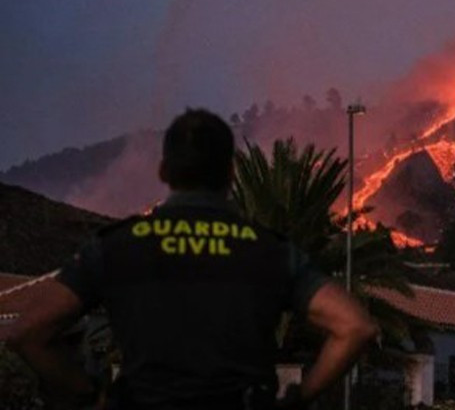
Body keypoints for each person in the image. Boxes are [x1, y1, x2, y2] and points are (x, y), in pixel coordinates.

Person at [11, 109, 377, 408]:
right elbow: (355, 326)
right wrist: (298, 398)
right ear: (232, 172)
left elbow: (28, 331)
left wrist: (90, 395)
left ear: (164, 171)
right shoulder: (267, 250)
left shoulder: (117, 247)